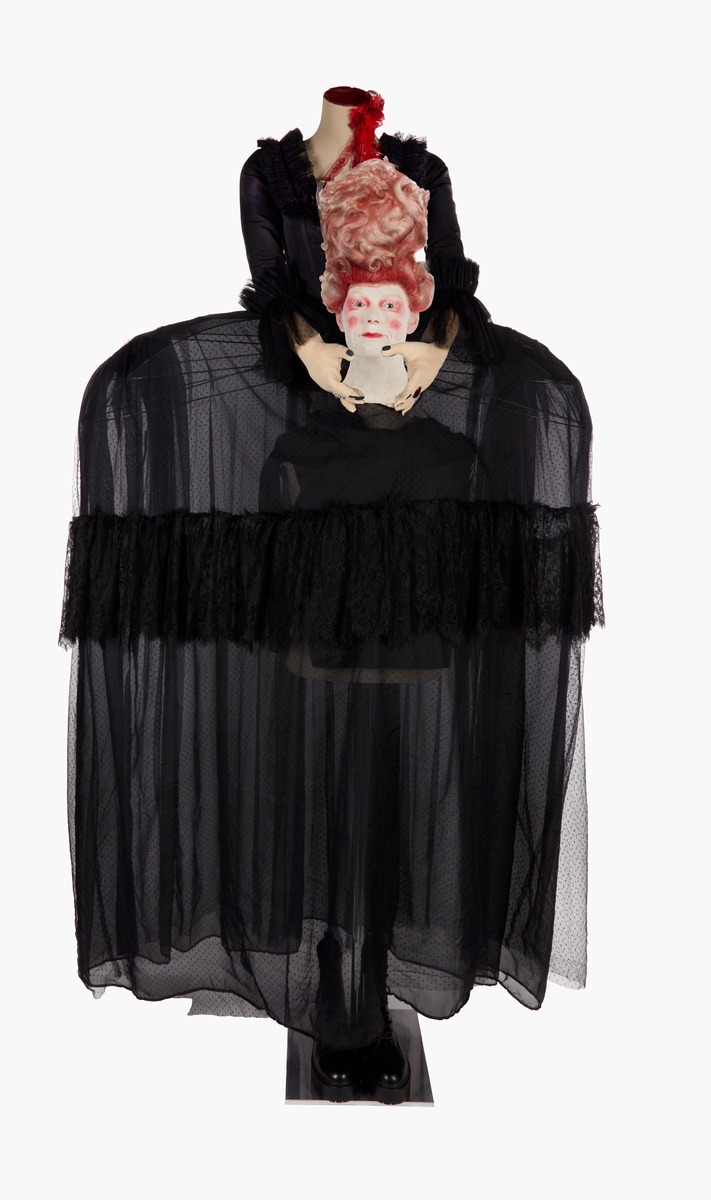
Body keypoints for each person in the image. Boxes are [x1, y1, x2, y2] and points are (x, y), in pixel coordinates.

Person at [58, 85, 605, 1106]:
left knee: (395, 752)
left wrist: (418, 356)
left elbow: (449, 294)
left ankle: (370, 980)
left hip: (405, 440)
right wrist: (327, 357)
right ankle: (333, 982)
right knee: (318, 746)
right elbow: (280, 305)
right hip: (306, 434)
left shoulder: (421, 176)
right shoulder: (271, 176)